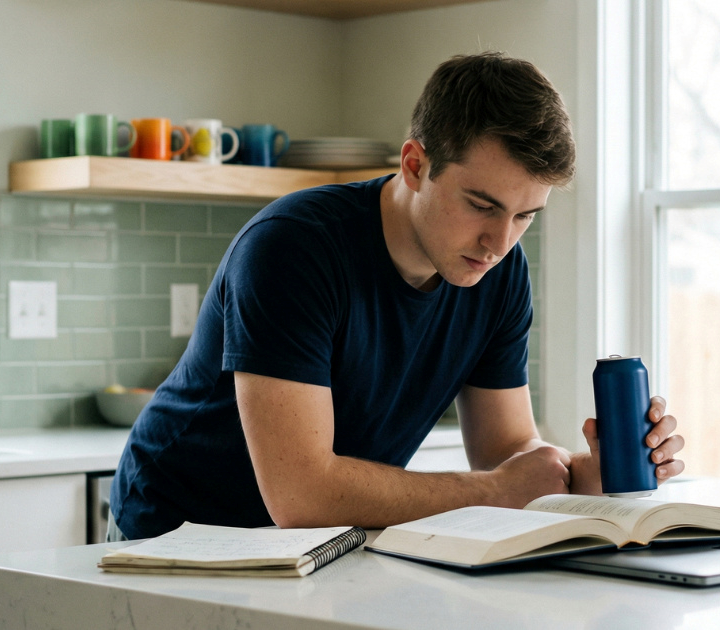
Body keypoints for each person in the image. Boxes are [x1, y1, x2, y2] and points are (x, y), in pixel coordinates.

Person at [109, 52, 685, 541]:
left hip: (321, 544)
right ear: (415, 165)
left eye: (525, 216)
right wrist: (492, 492)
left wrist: (596, 473)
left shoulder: (498, 270)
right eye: (482, 206)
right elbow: (301, 495)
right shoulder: (292, 247)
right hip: (178, 535)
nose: (499, 240)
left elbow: (504, 450)